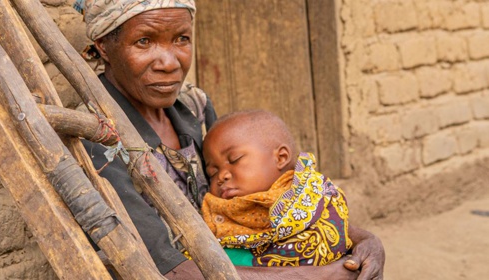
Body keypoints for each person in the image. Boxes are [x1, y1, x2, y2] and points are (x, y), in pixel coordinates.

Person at [74, 0, 385, 279]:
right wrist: (313, 276)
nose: (168, 62)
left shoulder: (192, 105)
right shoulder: (97, 135)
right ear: (103, 45)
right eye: (144, 41)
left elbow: (251, 203)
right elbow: (169, 269)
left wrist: (361, 240)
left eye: (181, 38)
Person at [201, 109, 352, 267]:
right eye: (212, 172)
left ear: (281, 158)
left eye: (234, 159)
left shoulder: (318, 197)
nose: (221, 176)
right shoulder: (215, 220)